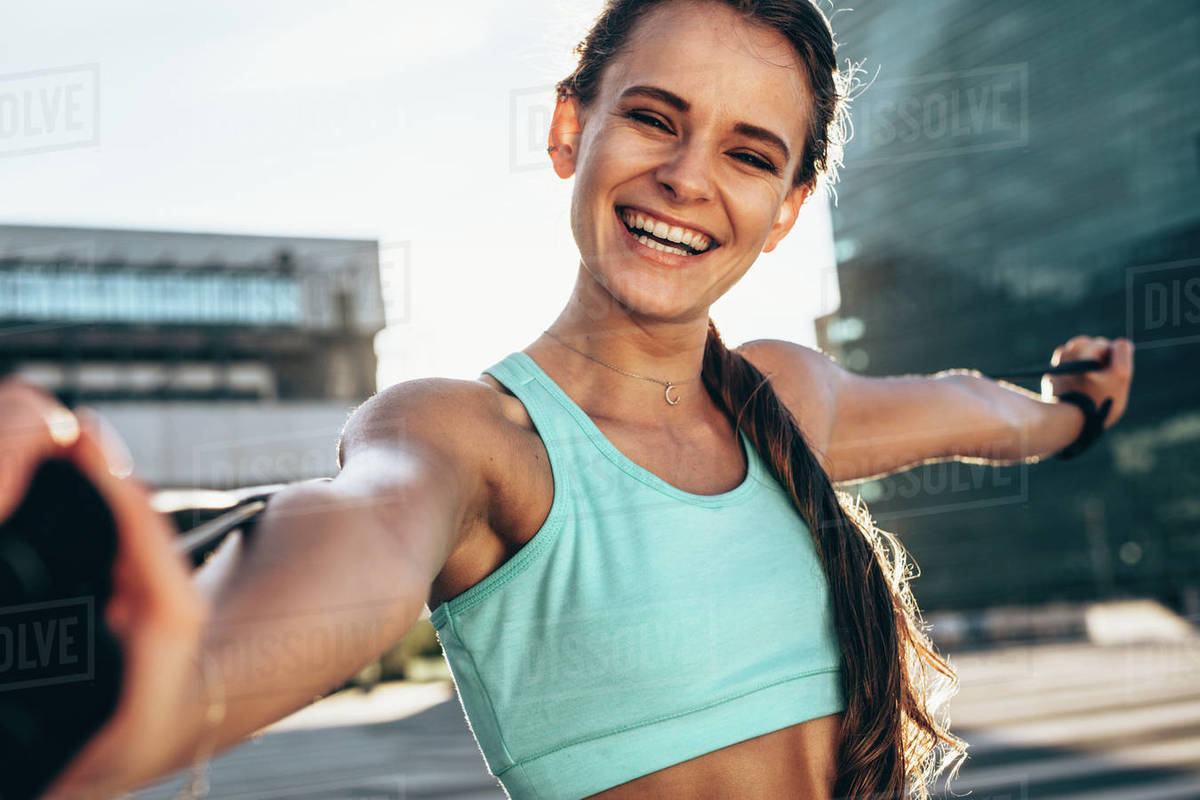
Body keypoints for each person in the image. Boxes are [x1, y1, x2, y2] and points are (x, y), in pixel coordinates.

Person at [6, 0, 1134, 797]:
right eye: (654, 117)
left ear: (788, 207)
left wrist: (1073, 412)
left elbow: (976, 412)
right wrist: (143, 683)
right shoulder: (463, 436)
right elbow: (349, 535)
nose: (687, 177)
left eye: (749, 154)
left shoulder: (785, 398)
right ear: (568, 130)